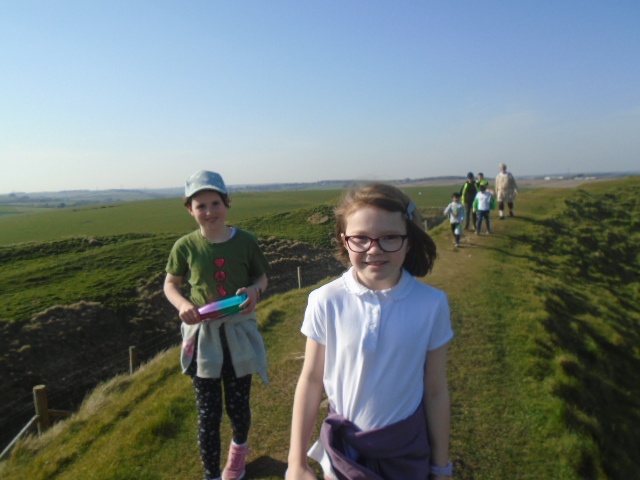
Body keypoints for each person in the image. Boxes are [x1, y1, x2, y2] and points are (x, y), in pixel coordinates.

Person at [286, 183, 454, 480]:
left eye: (390, 237)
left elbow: (436, 390)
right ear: (344, 240)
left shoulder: (432, 304)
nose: (374, 249)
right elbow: (311, 380)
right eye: (361, 238)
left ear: (409, 241)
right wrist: (296, 462)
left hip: (406, 452)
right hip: (344, 453)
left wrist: (441, 466)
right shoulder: (326, 300)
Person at [164, 170, 270, 480]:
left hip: (238, 334)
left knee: (238, 407)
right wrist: (183, 305)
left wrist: (255, 291)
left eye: (215, 203)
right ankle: (211, 473)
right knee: (208, 413)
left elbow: (261, 277)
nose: (209, 212)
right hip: (203, 340)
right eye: (201, 206)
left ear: (227, 203)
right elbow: (170, 284)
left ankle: (237, 457)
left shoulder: (246, 242)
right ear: (189, 209)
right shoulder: (185, 246)